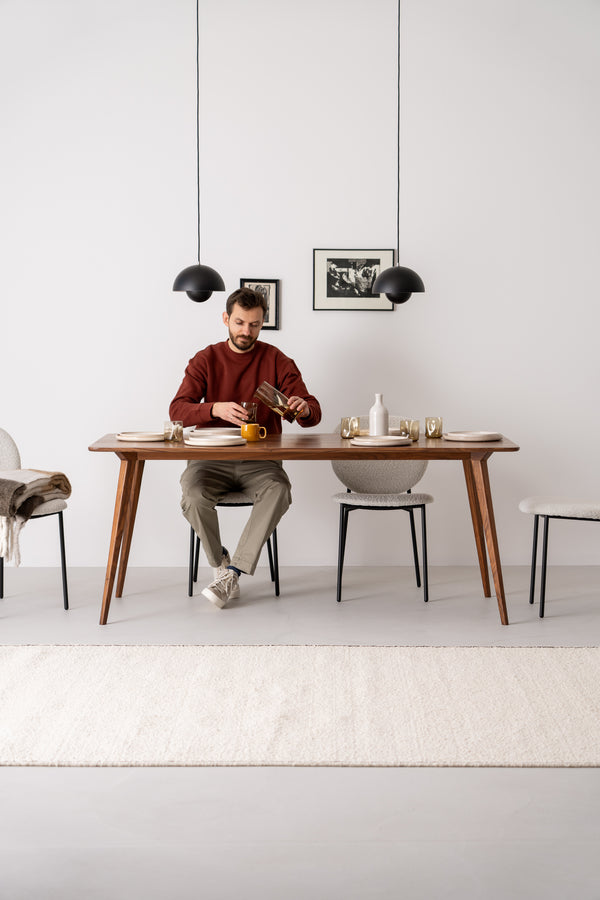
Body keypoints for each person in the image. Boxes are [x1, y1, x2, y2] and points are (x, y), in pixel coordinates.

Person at [169, 287, 321, 609]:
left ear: (262, 323)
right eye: (239, 322)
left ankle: (232, 572)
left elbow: (312, 411)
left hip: (260, 462)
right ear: (226, 319)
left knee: (279, 488)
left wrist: (302, 408)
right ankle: (219, 560)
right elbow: (177, 410)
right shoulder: (205, 359)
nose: (245, 331)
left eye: (253, 324)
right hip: (208, 462)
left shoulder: (277, 359)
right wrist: (214, 409)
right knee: (193, 496)